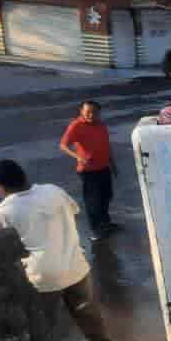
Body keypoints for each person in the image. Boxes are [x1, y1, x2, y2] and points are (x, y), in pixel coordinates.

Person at [0, 159, 118, 341]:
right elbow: (71, 212)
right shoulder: (53, 191)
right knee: (89, 316)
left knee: (44, 327)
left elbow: (0, 249)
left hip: (40, 279)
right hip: (76, 268)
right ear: (24, 175)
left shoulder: (0, 214)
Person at [59, 100, 116, 239]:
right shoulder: (76, 125)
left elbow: (106, 146)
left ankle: (105, 223)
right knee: (93, 201)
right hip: (88, 170)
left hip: (103, 167)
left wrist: (113, 164)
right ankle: (96, 230)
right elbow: (63, 145)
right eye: (88, 112)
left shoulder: (101, 125)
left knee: (106, 196)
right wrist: (77, 156)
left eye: (94, 112)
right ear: (81, 111)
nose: (91, 115)